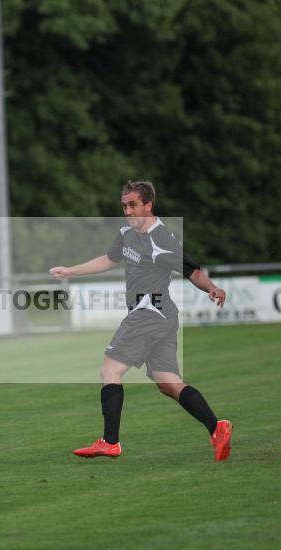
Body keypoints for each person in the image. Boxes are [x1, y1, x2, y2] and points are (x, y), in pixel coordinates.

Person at [49, 181, 233, 461]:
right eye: (124, 206)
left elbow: (192, 270)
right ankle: (217, 427)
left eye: (133, 205)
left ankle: (110, 442)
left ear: (148, 205)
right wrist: (71, 271)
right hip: (163, 316)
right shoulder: (126, 235)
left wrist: (212, 288)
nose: (128, 211)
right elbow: (109, 259)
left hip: (149, 313)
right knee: (168, 382)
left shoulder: (162, 240)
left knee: (110, 371)